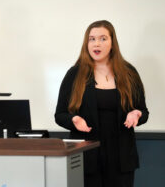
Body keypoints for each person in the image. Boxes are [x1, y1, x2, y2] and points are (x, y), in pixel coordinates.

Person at [55, 20, 149, 187]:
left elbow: (143, 111)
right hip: (86, 156)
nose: (96, 43)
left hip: (121, 157)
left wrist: (136, 114)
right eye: (92, 39)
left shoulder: (129, 73)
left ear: (113, 43)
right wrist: (74, 120)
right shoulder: (75, 74)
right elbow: (60, 114)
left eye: (103, 38)